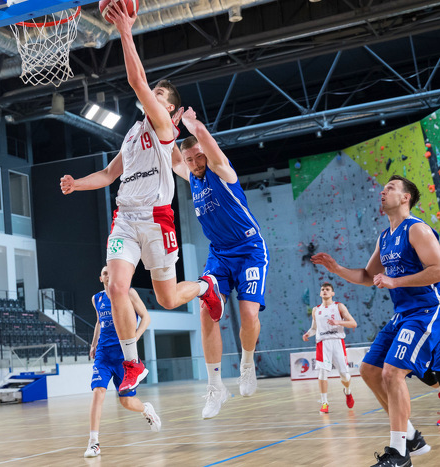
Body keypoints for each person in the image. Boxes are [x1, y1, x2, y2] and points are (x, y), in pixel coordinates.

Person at [59, 1, 221, 396]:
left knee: (168, 299)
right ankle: (133, 362)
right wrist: (77, 184)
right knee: (116, 287)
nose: (152, 94)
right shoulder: (133, 134)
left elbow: (136, 82)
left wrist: (125, 30)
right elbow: (109, 174)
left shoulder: (164, 126)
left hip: (157, 219)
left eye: (158, 93)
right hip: (126, 219)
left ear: (170, 108)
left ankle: (206, 287)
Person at [312, 175, 439, 466]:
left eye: (390, 188)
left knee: (392, 373)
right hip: (402, 314)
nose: (383, 192)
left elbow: (439, 269)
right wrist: (337, 268)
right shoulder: (385, 237)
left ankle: (399, 454)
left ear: (406, 197)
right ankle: (411, 437)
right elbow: (368, 276)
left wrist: (395, 281)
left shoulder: (417, 229)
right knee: (369, 370)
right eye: (382, 189)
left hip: (427, 311)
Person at [172, 107, 269, 418]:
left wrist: (192, 124)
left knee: (248, 314)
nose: (195, 163)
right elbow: (172, 157)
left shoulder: (221, 171)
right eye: (190, 160)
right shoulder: (192, 176)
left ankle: (247, 363)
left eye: (199, 157)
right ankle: (216, 387)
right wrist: (164, 123)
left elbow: (205, 141)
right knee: (206, 312)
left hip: (250, 249)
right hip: (219, 255)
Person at [84, 266, 161, 458]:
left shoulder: (129, 293)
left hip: (123, 356)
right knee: (98, 391)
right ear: (100, 278)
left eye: (111, 272)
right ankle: (93, 443)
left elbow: (146, 317)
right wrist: (93, 344)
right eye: (105, 273)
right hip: (103, 354)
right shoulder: (96, 299)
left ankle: (146, 409)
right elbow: (99, 322)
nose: (108, 275)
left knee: (126, 401)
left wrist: (135, 337)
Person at [302, 282, 357, 413]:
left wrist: (338, 322)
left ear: (332, 293)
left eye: (327, 289)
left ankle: (347, 391)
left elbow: (353, 323)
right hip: (323, 343)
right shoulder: (316, 310)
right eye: (323, 289)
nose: (325, 291)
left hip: (337, 342)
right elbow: (314, 328)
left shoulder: (339, 306)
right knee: (322, 372)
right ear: (320, 293)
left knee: (345, 376)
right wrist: (308, 333)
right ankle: (324, 402)